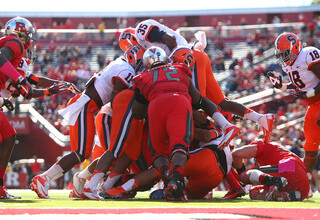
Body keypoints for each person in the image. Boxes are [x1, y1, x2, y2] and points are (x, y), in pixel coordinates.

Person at [131, 46, 241, 199]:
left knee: (159, 154)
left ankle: (159, 178)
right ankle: (175, 181)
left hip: (157, 105)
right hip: (181, 103)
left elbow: (137, 113)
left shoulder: (142, 77)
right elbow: (198, 101)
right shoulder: (179, 69)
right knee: (180, 146)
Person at [30, 43, 137, 199]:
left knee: (81, 153)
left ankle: (64, 183)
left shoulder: (119, 63)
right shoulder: (127, 69)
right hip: (85, 106)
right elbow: (115, 101)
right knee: (81, 153)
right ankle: (43, 179)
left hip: (85, 104)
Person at [266, 32, 320, 174]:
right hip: (313, 104)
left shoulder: (308, 54)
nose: (284, 58)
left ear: (295, 47)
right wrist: (281, 86)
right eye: (281, 55)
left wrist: (308, 94)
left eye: (286, 53)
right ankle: (304, 180)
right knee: (310, 144)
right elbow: (298, 84)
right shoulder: (289, 65)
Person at [0, 16, 35, 199]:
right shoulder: (15, 43)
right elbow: (0, 58)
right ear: (20, 35)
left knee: (8, 136)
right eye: (28, 35)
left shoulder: (12, 46)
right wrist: (19, 79)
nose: (30, 40)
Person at [232, 139, 309, 201]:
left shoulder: (262, 143)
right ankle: (285, 195)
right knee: (254, 193)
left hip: (288, 166)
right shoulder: (279, 151)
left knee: (244, 175)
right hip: (303, 186)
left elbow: (236, 154)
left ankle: (274, 182)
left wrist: (241, 178)